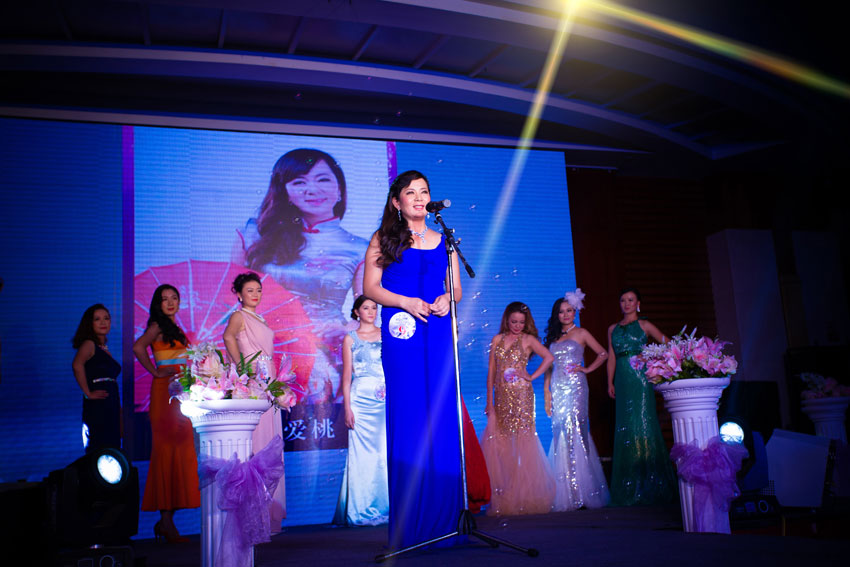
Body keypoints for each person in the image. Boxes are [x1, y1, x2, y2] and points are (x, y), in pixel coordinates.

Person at [363, 170, 463, 549]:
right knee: (410, 415)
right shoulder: (384, 238)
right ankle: (413, 525)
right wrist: (405, 301)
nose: (420, 198)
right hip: (402, 330)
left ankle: (446, 520)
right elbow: (370, 287)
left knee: (440, 416)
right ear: (397, 202)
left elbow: (455, 289)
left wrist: (446, 299)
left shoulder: (445, 240)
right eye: (411, 192)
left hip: (437, 331)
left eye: (425, 191)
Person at [232, 148, 368, 403]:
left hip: (326, 350)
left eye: (322, 179)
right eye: (299, 182)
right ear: (284, 191)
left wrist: (346, 329)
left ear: (340, 189)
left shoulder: (360, 248)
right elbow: (231, 299)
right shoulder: (254, 234)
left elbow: (365, 310)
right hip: (265, 347)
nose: (312, 189)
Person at [133, 284, 200, 543]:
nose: (170, 303)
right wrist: (155, 371)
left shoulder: (176, 328)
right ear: (157, 304)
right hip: (164, 393)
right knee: (165, 453)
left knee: (182, 453)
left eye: (174, 298)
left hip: (181, 391)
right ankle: (166, 521)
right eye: (164, 299)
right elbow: (138, 347)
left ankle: (167, 521)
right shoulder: (157, 326)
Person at [222, 271, 286, 534]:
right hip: (255, 380)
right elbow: (228, 337)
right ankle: (253, 513)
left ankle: (268, 511)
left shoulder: (260, 317)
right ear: (239, 294)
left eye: (258, 290)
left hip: (268, 377)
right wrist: (243, 368)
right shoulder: (239, 316)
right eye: (250, 290)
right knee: (258, 441)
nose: (255, 294)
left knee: (270, 438)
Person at [481, 301, 555, 516]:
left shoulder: (528, 340)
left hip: (522, 396)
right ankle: (507, 495)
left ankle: (525, 496)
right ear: (507, 320)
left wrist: (531, 376)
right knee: (501, 445)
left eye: (521, 322)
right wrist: (489, 401)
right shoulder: (497, 340)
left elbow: (549, 358)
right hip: (501, 397)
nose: (517, 326)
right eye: (514, 322)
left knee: (523, 443)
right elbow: (491, 373)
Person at [607, 287, 676, 506]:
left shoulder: (645, 325)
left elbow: (669, 344)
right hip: (622, 379)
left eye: (630, 300)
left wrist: (652, 359)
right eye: (623, 300)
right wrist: (609, 381)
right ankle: (630, 485)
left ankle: (650, 483)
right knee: (626, 426)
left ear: (638, 303)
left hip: (641, 379)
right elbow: (611, 357)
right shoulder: (612, 329)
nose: (626, 303)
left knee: (644, 423)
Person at [542, 290, 609, 511]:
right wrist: (547, 391)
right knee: (560, 431)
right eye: (561, 312)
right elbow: (548, 367)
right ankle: (566, 493)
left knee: (576, 430)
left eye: (569, 310)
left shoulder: (581, 333)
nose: (566, 315)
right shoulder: (553, 338)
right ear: (557, 315)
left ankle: (582, 490)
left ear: (575, 311)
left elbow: (603, 353)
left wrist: (586, 369)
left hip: (576, 387)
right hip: (558, 388)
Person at [333, 295, 389, 526]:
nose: (371, 311)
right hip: (361, 401)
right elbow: (346, 377)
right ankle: (361, 509)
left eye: (374, 307)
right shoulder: (350, 338)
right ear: (356, 312)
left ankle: (386, 505)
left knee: (384, 453)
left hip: (384, 398)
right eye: (366, 308)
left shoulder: (386, 334)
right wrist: (347, 408)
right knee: (361, 456)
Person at [71, 304, 121, 452]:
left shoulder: (103, 347)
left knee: (111, 445)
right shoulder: (89, 344)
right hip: (99, 404)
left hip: (111, 401)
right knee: (99, 445)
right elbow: (77, 365)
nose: (103, 322)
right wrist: (88, 393)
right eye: (97, 319)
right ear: (90, 323)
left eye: (106, 318)